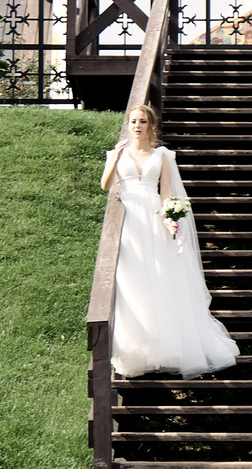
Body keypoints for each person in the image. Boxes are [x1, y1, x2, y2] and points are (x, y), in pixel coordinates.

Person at [100, 102, 237, 378]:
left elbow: (167, 193)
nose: (137, 126)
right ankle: (135, 350)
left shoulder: (161, 155)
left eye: (142, 122)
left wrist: (168, 217)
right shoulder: (119, 152)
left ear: (150, 126)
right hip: (128, 221)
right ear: (127, 125)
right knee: (131, 281)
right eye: (133, 121)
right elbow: (106, 185)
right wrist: (113, 160)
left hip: (151, 218)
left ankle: (164, 346)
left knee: (157, 278)